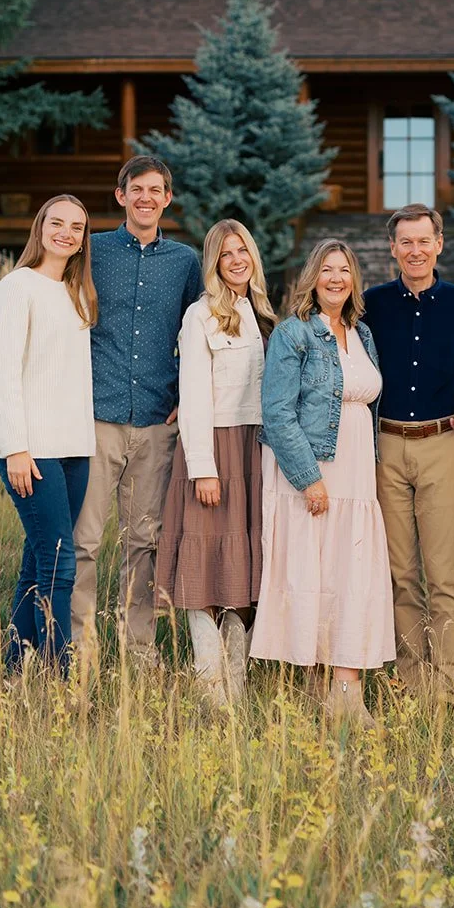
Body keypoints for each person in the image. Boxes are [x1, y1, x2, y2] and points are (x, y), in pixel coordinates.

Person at [252, 239, 395, 725]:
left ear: (354, 279)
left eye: (345, 270)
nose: (336, 278)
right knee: (315, 574)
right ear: (312, 276)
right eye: (327, 270)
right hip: (316, 471)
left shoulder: (362, 334)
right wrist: (308, 478)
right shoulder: (294, 334)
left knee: (351, 574)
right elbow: (275, 411)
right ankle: (326, 688)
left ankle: (345, 691)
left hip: (358, 473)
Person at [71, 156, 203, 661]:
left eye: (156, 190)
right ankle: (78, 653)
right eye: (137, 189)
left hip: (155, 422)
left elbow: (198, 336)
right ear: (121, 195)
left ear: (167, 199)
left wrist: (187, 399)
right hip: (96, 418)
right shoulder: (93, 251)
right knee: (84, 543)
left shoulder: (186, 263)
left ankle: (138, 657)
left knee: (143, 543)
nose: (146, 197)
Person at [155, 220, 276, 706]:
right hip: (214, 447)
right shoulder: (200, 315)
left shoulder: (264, 314)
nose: (237, 260)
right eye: (226, 254)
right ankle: (210, 690)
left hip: (256, 447)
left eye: (243, 250)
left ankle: (238, 684)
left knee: (244, 566)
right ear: (214, 262)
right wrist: (203, 466)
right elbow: (194, 395)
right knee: (205, 561)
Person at [362, 205, 454, 696]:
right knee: (400, 573)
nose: (415, 250)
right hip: (386, 446)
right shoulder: (370, 302)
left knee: (445, 572)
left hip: (442, 443)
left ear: (439, 244)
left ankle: (449, 685)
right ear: (393, 248)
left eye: (423, 241)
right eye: (405, 242)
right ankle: (412, 680)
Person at [0, 194, 97, 672]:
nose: (66, 232)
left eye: (77, 226)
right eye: (57, 223)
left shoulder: (77, 294)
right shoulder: (17, 287)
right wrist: (15, 448)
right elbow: (2, 374)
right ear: (40, 227)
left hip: (74, 448)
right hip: (31, 451)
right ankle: (58, 675)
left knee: (39, 559)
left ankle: (15, 667)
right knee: (60, 563)